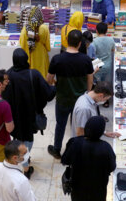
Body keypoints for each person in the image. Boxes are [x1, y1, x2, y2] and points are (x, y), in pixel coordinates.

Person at [2, 48, 55, 179]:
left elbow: (4, 96)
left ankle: (20, 158)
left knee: (18, 138)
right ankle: (25, 167)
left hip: (14, 116)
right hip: (30, 115)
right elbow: (47, 94)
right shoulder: (34, 74)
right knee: (28, 139)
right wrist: (55, 87)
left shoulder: (8, 75)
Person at [47, 30, 95, 159]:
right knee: (78, 126)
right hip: (79, 100)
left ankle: (57, 149)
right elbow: (90, 79)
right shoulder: (85, 59)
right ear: (80, 43)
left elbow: (49, 80)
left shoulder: (57, 59)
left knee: (60, 125)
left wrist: (56, 84)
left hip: (62, 99)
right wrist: (87, 93)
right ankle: (76, 150)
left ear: (67, 40)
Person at [61, 116, 116, 201]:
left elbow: (65, 160)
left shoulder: (74, 142)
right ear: (101, 131)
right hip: (98, 188)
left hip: (78, 186)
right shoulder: (106, 147)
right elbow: (112, 167)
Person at [19, 6, 50, 78]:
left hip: (29, 55)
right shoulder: (44, 28)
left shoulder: (25, 28)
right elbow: (48, 46)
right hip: (41, 55)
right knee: (42, 75)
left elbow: (22, 43)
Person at [92, 22, 115, 108]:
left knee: (98, 83)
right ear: (106, 31)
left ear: (96, 31)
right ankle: (106, 100)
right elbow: (113, 50)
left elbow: (93, 54)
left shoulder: (94, 41)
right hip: (108, 64)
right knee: (106, 83)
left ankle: (97, 99)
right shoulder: (111, 40)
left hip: (98, 64)